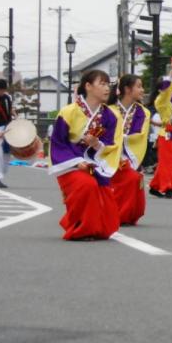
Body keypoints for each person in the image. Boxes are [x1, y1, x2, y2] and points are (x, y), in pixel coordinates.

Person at [48, 70, 120, 241]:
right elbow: (58, 142)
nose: (106, 88)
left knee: (106, 206)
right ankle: (81, 229)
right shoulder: (69, 112)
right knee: (87, 185)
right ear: (88, 86)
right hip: (70, 164)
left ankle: (83, 223)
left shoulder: (110, 116)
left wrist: (97, 144)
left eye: (108, 84)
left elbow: (110, 143)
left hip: (94, 162)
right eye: (101, 84)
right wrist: (77, 163)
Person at [109, 74, 149, 227]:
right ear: (127, 89)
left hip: (128, 155)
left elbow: (139, 136)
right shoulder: (109, 109)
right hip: (107, 152)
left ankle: (124, 214)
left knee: (132, 177)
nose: (142, 90)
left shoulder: (144, 112)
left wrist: (120, 139)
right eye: (139, 86)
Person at [149, 58, 172, 199]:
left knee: (169, 162)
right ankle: (168, 188)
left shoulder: (167, 101)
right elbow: (168, 87)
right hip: (166, 134)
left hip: (170, 134)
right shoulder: (161, 100)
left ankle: (155, 186)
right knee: (167, 163)